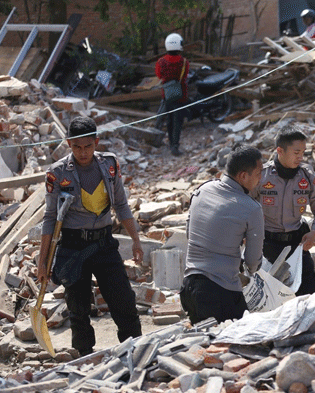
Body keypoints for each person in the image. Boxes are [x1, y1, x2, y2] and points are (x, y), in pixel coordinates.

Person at [38, 117, 143, 357]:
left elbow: (122, 206)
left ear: (96, 142)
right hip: (73, 246)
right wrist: (42, 262)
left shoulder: (109, 165)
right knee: (78, 307)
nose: (82, 152)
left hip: (104, 243)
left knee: (123, 300)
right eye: (77, 147)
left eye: (87, 146)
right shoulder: (57, 173)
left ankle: (135, 352)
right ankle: (84, 357)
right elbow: (50, 218)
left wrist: (136, 240)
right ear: (68, 144)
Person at [181, 146, 264, 324]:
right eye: (258, 173)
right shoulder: (251, 208)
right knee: (237, 345)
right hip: (220, 293)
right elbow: (253, 261)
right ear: (243, 176)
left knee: (202, 347)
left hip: (189, 287)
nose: (260, 179)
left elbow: (190, 233)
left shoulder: (203, 189)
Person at [251, 125, 315, 296]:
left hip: (297, 245)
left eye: (303, 153)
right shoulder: (261, 176)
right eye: (296, 152)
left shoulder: (308, 177)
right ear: (280, 150)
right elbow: (244, 207)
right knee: (270, 299)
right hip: (266, 246)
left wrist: (314, 232)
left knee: (309, 297)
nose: (300, 157)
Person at [156, 33, 190, 157]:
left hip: (167, 96)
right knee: (178, 121)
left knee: (169, 120)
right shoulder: (184, 61)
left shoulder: (161, 62)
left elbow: (159, 76)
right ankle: (175, 145)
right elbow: (185, 76)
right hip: (180, 95)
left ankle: (171, 144)